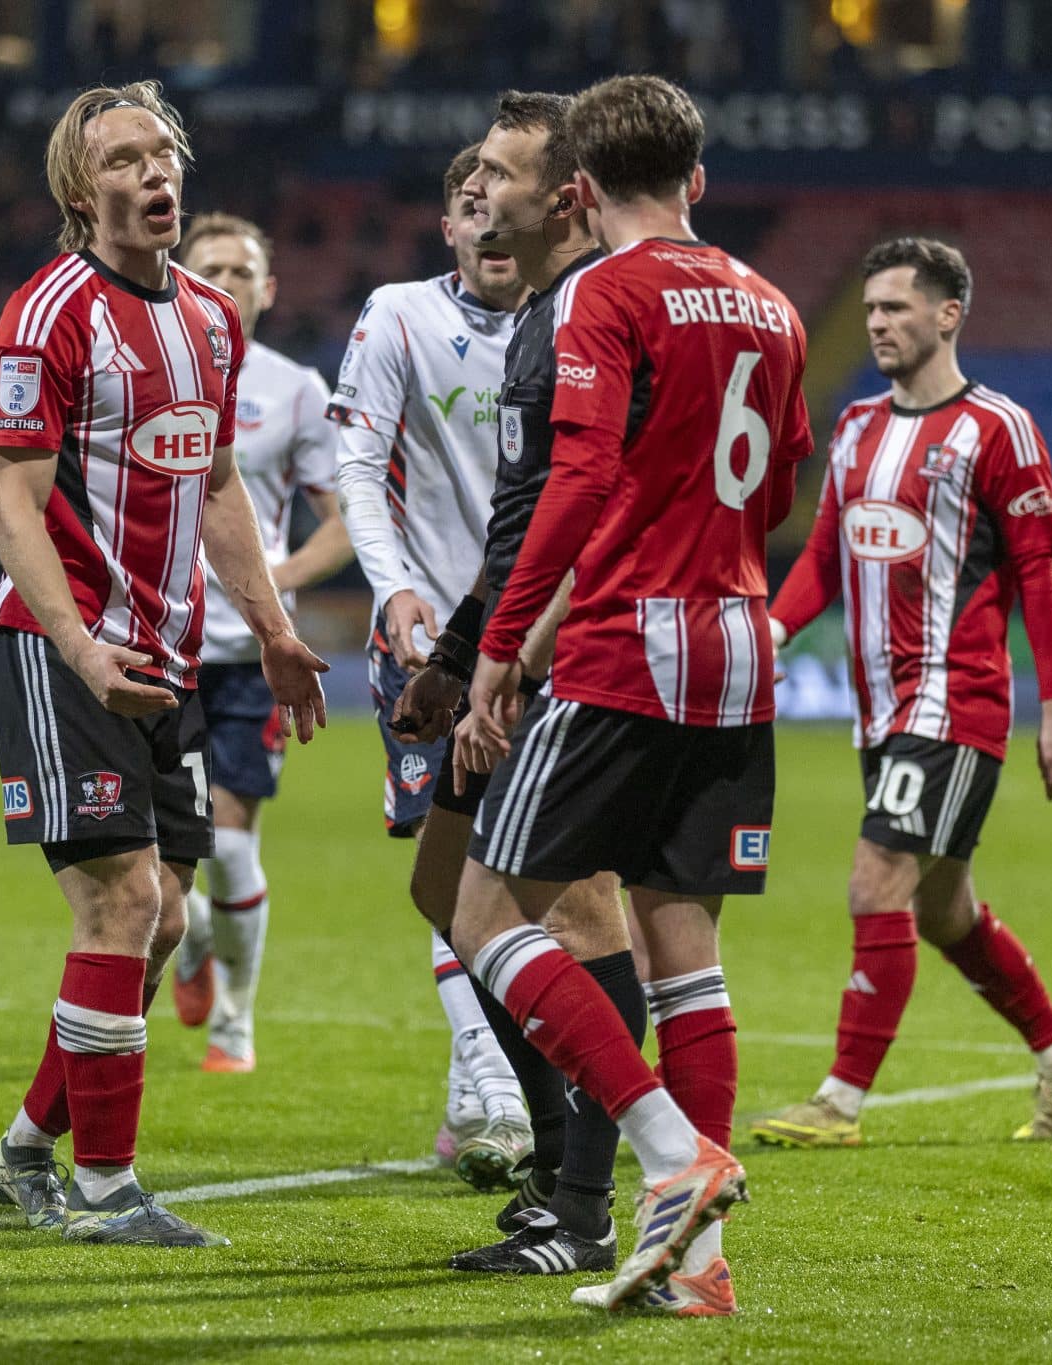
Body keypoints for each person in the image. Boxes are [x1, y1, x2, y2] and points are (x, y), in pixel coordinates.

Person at [450, 74, 813, 1316]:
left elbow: (580, 477)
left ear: (581, 193)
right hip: (740, 636)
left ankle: (669, 1159)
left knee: (485, 912)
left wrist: (503, 644)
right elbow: (778, 489)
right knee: (685, 954)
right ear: (697, 181)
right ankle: (699, 1272)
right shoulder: (770, 302)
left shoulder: (600, 292)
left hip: (627, 642)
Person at [0, 82, 329, 1248]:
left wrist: (271, 629)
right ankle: (108, 1191)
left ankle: (29, 1147)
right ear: (82, 192)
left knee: (167, 918)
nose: (154, 173)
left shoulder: (209, 325)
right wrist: (78, 647)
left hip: (166, 663)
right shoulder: (47, 317)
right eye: (124, 158)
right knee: (122, 901)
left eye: (164, 152)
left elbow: (216, 486)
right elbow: (12, 503)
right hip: (61, 652)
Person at [749, 237, 1052, 1156]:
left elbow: (1037, 571)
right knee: (944, 912)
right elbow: (826, 557)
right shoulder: (861, 426)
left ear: (948, 314)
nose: (877, 322)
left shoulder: (998, 429)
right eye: (869, 308)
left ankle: (839, 1099)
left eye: (897, 308)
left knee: (877, 881)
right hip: (882, 710)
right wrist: (773, 634)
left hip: (954, 704)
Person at [392, 90, 638, 1277]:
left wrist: (500, 663)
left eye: (502, 168)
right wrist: (453, 663)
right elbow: (519, 515)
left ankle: (584, 1204)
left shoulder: (586, 312)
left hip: (569, 654)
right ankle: (558, 1165)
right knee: (445, 887)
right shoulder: (545, 313)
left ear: (567, 193)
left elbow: (567, 514)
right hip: (515, 644)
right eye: (475, 169)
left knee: (577, 914)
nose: (479, 186)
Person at [331, 144, 533, 1185]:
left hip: (541, 646)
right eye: (468, 204)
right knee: (448, 870)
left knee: (543, 880)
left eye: (502, 201)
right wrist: (391, 586)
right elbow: (357, 463)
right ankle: (498, 1095)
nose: (487, 220)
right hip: (425, 657)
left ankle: (488, 1080)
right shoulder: (398, 314)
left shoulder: (578, 320)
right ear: (446, 226)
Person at [167, 212, 352, 1071]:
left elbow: (344, 524)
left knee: (231, 843)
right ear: (182, 272)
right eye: (212, 267)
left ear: (268, 291)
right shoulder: (149, 367)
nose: (229, 282)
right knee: (149, 857)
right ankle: (195, 935)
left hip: (244, 662)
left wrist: (276, 584)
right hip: (154, 644)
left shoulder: (295, 390)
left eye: (245, 271)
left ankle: (235, 1018)